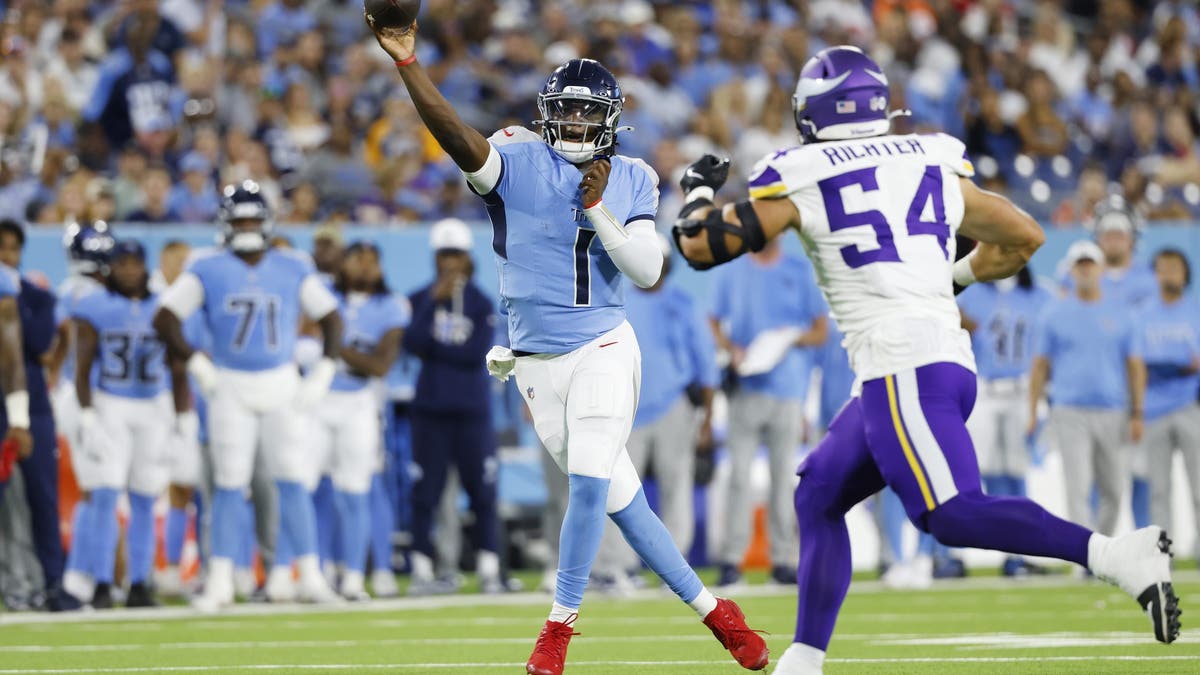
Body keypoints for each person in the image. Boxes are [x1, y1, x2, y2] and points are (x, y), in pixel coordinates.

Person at [672, 46, 1178, 674]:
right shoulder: (928, 156)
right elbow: (1025, 236)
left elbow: (702, 246)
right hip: (931, 363)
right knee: (819, 493)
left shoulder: (804, 170)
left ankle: (1114, 555)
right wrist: (949, 279)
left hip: (903, 366)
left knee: (951, 513)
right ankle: (804, 658)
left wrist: (696, 191)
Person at [366, 21, 767, 675]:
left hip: (602, 344)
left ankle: (557, 629)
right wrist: (408, 62)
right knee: (622, 503)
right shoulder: (517, 160)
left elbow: (648, 271)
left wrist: (599, 207)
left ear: (611, 120)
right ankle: (717, 612)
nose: (577, 122)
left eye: (588, 111)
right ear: (547, 114)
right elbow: (455, 135)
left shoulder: (631, 176)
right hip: (535, 362)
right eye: (567, 110)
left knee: (586, 482)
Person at [153, 180, 344, 611]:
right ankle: (221, 579)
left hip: (281, 381)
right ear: (225, 223)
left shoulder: (293, 264)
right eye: (239, 221)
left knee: (292, 478)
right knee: (229, 481)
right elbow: (164, 317)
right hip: (230, 383)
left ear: (267, 221)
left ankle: (310, 575)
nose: (246, 228)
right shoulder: (207, 265)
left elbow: (332, 318)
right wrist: (196, 361)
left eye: (252, 220)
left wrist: (325, 370)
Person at [72, 239, 192, 608]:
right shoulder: (95, 305)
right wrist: (87, 413)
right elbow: (82, 366)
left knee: (144, 495)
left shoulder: (165, 304)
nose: (127, 270)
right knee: (106, 493)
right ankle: (102, 583)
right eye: (120, 263)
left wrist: (183, 416)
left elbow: (178, 365)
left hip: (153, 405)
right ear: (109, 267)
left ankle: (140, 582)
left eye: (133, 263)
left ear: (144, 265)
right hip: (111, 403)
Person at [594, 234, 718, 590]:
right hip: (625, 404)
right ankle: (617, 567)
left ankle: (675, 568)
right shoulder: (618, 302)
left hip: (673, 405)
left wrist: (707, 419)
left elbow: (705, 364)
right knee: (618, 488)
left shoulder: (683, 303)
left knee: (676, 485)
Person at [709, 236, 827, 586]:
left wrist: (787, 339)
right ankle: (732, 559)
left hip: (787, 389)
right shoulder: (734, 272)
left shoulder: (799, 270)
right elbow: (712, 321)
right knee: (739, 477)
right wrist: (731, 349)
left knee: (783, 478)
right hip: (746, 388)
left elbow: (819, 331)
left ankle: (783, 559)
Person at [404, 219, 505, 595]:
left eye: (456, 255)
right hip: (430, 411)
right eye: (444, 254)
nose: (450, 262)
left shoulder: (480, 302)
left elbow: (473, 353)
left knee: (482, 492)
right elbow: (412, 343)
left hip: (470, 410)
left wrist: (436, 349)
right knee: (425, 493)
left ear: (467, 258)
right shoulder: (420, 298)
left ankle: (489, 568)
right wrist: (434, 301)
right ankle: (422, 568)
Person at [311, 241, 408, 600]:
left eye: (372, 261)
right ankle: (317, 571)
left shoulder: (392, 306)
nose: (365, 267)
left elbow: (379, 366)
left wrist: (332, 344)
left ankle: (355, 576)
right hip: (316, 400)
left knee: (357, 488)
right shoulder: (322, 296)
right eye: (358, 260)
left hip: (360, 402)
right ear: (344, 264)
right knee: (312, 487)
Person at [1030, 241, 1146, 537]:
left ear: (1101, 269)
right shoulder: (1054, 313)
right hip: (1070, 409)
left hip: (1113, 410)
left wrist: (1137, 413)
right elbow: (1040, 366)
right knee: (1077, 486)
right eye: (1080, 264)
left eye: (1090, 264)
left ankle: (1103, 546)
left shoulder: (1122, 312)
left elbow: (1135, 366)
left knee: (1114, 489)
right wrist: (1033, 411)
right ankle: (1085, 552)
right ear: (1071, 270)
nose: (1085, 270)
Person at [957, 266, 1054, 576]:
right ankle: (951, 552)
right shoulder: (972, 292)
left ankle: (1019, 552)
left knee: (1016, 472)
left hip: (1022, 390)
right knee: (976, 472)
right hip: (983, 388)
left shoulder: (1040, 294)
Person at [0, 219, 68, 610]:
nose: (7, 255)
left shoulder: (35, 296)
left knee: (43, 497)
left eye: (13, 248)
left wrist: (19, 418)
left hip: (30, 405)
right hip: (16, 402)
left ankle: (52, 582)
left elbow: (34, 348)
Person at [52, 223, 117, 608]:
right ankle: (84, 576)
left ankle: (85, 574)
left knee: (95, 490)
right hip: (88, 397)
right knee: (99, 491)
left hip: (74, 395)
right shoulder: (96, 296)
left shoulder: (67, 291)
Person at [1137, 249, 1200, 552]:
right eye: (1162, 269)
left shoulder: (1195, 309)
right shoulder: (1142, 314)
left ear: (1185, 273)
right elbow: (1137, 361)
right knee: (1159, 490)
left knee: (1198, 484)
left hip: (1191, 406)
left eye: (1175, 268)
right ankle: (1164, 553)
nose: (1169, 274)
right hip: (1153, 409)